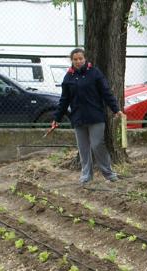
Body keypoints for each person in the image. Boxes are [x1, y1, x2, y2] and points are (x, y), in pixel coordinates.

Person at [47, 48, 124, 184]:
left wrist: (116, 109)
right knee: (83, 148)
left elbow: (106, 93)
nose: (78, 61)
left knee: (96, 145)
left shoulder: (95, 73)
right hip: (78, 118)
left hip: (96, 117)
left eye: (80, 58)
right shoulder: (68, 77)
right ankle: (86, 175)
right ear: (72, 60)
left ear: (85, 59)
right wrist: (56, 118)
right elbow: (64, 100)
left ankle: (108, 173)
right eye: (75, 59)